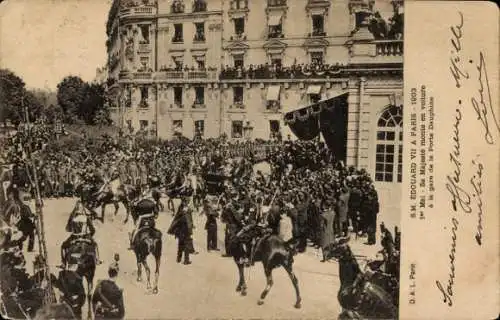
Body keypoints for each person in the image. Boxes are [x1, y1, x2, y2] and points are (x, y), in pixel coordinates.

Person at [60, 201, 101, 268]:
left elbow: (68, 229)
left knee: (63, 246)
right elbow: (93, 230)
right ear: (82, 209)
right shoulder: (86, 218)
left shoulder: (72, 218)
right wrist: (90, 236)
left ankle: (63, 263)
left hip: (74, 237)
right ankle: (97, 260)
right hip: (85, 236)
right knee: (95, 245)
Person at [167, 196, 194, 265]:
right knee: (186, 245)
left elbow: (179, 218)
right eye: (187, 201)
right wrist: (190, 226)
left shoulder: (181, 208)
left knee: (180, 244)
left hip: (180, 230)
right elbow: (187, 219)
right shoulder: (185, 209)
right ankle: (186, 260)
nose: (188, 203)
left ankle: (178, 259)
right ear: (185, 202)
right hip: (185, 229)